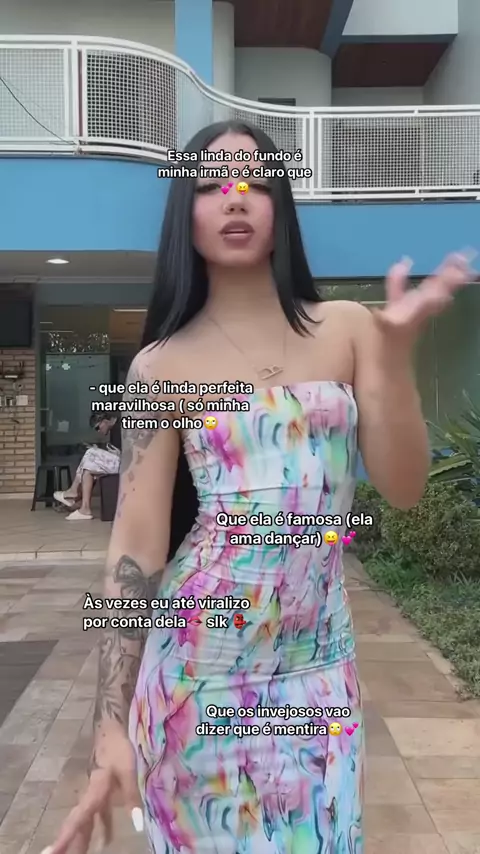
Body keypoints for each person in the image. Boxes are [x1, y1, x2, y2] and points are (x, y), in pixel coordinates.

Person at [45, 120, 473, 854]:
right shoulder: (159, 366)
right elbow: (135, 550)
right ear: (185, 214)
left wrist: (395, 356)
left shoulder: (348, 329)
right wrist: (108, 726)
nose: (235, 198)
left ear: (281, 208)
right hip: (196, 675)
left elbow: (404, 487)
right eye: (211, 185)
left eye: (255, 183)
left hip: (316, 673)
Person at [54, 413, 121, 520]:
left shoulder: (121, 427)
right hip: (119, 463)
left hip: (125, 464)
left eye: (98, 427)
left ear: (105, 421)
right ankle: (84, 508)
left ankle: (73, 493)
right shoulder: (113, 431)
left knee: (90, 453)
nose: (98, 431)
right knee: (87, 471)